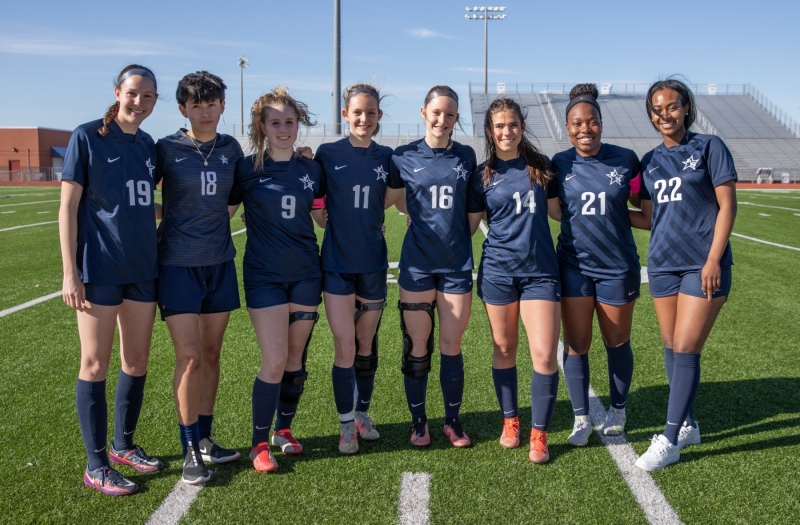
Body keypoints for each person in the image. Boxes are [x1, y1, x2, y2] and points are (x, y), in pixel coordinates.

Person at [59, 64, 163, 496]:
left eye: (148, 97)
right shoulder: (87, 136)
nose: (139, 103)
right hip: (99, 268)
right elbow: (68, 208)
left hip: (142, 267)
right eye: (133, 93)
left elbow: (140, 205)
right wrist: (70, 272)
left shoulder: (148, 145)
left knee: (136, 362)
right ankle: (96, 464)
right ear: (118, 91)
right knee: (95, 363)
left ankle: (123, 445)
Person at [634, 78, 737, 471]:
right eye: (658, 110)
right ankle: (689, 424)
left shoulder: (709, 147)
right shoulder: (650, 161)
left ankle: (670, 437)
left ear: (686, 108)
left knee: (687, 347)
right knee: (671, 345)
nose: (666, 115)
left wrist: (713, 259)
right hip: (662, 263)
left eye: (673, 107)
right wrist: (602, 214)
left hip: (702, 264)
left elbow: (727, 207)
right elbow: (646, 217)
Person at [154, 71, 244, 484]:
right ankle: (189, 446)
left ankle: (206, 438)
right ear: (182, 109)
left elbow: (235, 200)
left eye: (212, 104)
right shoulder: (166, 149)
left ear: (222, 105)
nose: (205, 112)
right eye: (196, 105)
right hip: (176, 266)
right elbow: (134, 191)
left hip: (220, 263)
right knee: (189, 358)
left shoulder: (231, 148)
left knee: (211, 355)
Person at [229, 87, 325, 473]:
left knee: (295, 358)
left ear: (297, 124)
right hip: (264, 275)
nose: (283, 128)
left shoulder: (311, 169)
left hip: (305, 272)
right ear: (263, 127)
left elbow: (321, 216)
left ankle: (284, 429)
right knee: (274, 358)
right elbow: (225, 213)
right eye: (276, 122)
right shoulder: (246, 169)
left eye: (289, 121)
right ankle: (258, 442)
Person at [549, 84, 648, 447]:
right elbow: (556, 210)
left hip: (617, 266)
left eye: (591, 122)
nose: (584, 129)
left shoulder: (626, 159)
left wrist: (617, 216)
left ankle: (618, 409)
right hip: (574, 265)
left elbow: (646, 213)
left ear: (601, 124)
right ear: (567, 127)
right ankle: (580, 417)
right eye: (577, 123)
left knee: (617, 341)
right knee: (576, 343)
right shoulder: (558, 163)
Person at [387, 85, 484, 448]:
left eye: (450, 114)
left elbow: (471, 210)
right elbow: (393, 199)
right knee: (417, 345)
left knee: (451, 345)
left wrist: (455, 235)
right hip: (417, 265)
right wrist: (406, 212)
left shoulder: (466, 156)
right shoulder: (403, 156)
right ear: (424, 112)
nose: (442, 120)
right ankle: (418, 421)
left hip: (456, 264)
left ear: (457, 118)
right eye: (437, 112)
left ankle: (453, 421)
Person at [471, 98, 561, 463]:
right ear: (490, 132)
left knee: (543, 354)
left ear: (522, 127)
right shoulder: (483, 175)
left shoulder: (542, 168)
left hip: (540, 272)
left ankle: (539, 433)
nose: (506, 132)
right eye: (499, 126)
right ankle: (510, 421)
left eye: (512, 125)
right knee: (504, 349)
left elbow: (559, 214)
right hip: (498, 272)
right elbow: (467, 226)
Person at [313, 84, 397, 454]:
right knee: (345, 346)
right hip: (337, 263)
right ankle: (346, 425)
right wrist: (324, 217)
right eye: (357, 112)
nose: (364, 118)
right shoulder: (327, 153)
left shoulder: (387, 157)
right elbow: (317, 206)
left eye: (371, 113)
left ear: (379, 117)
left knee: (366, 344)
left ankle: (362, 413)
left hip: (373, 262)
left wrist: (386, 218)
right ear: (346, 114)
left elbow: (397, 198)